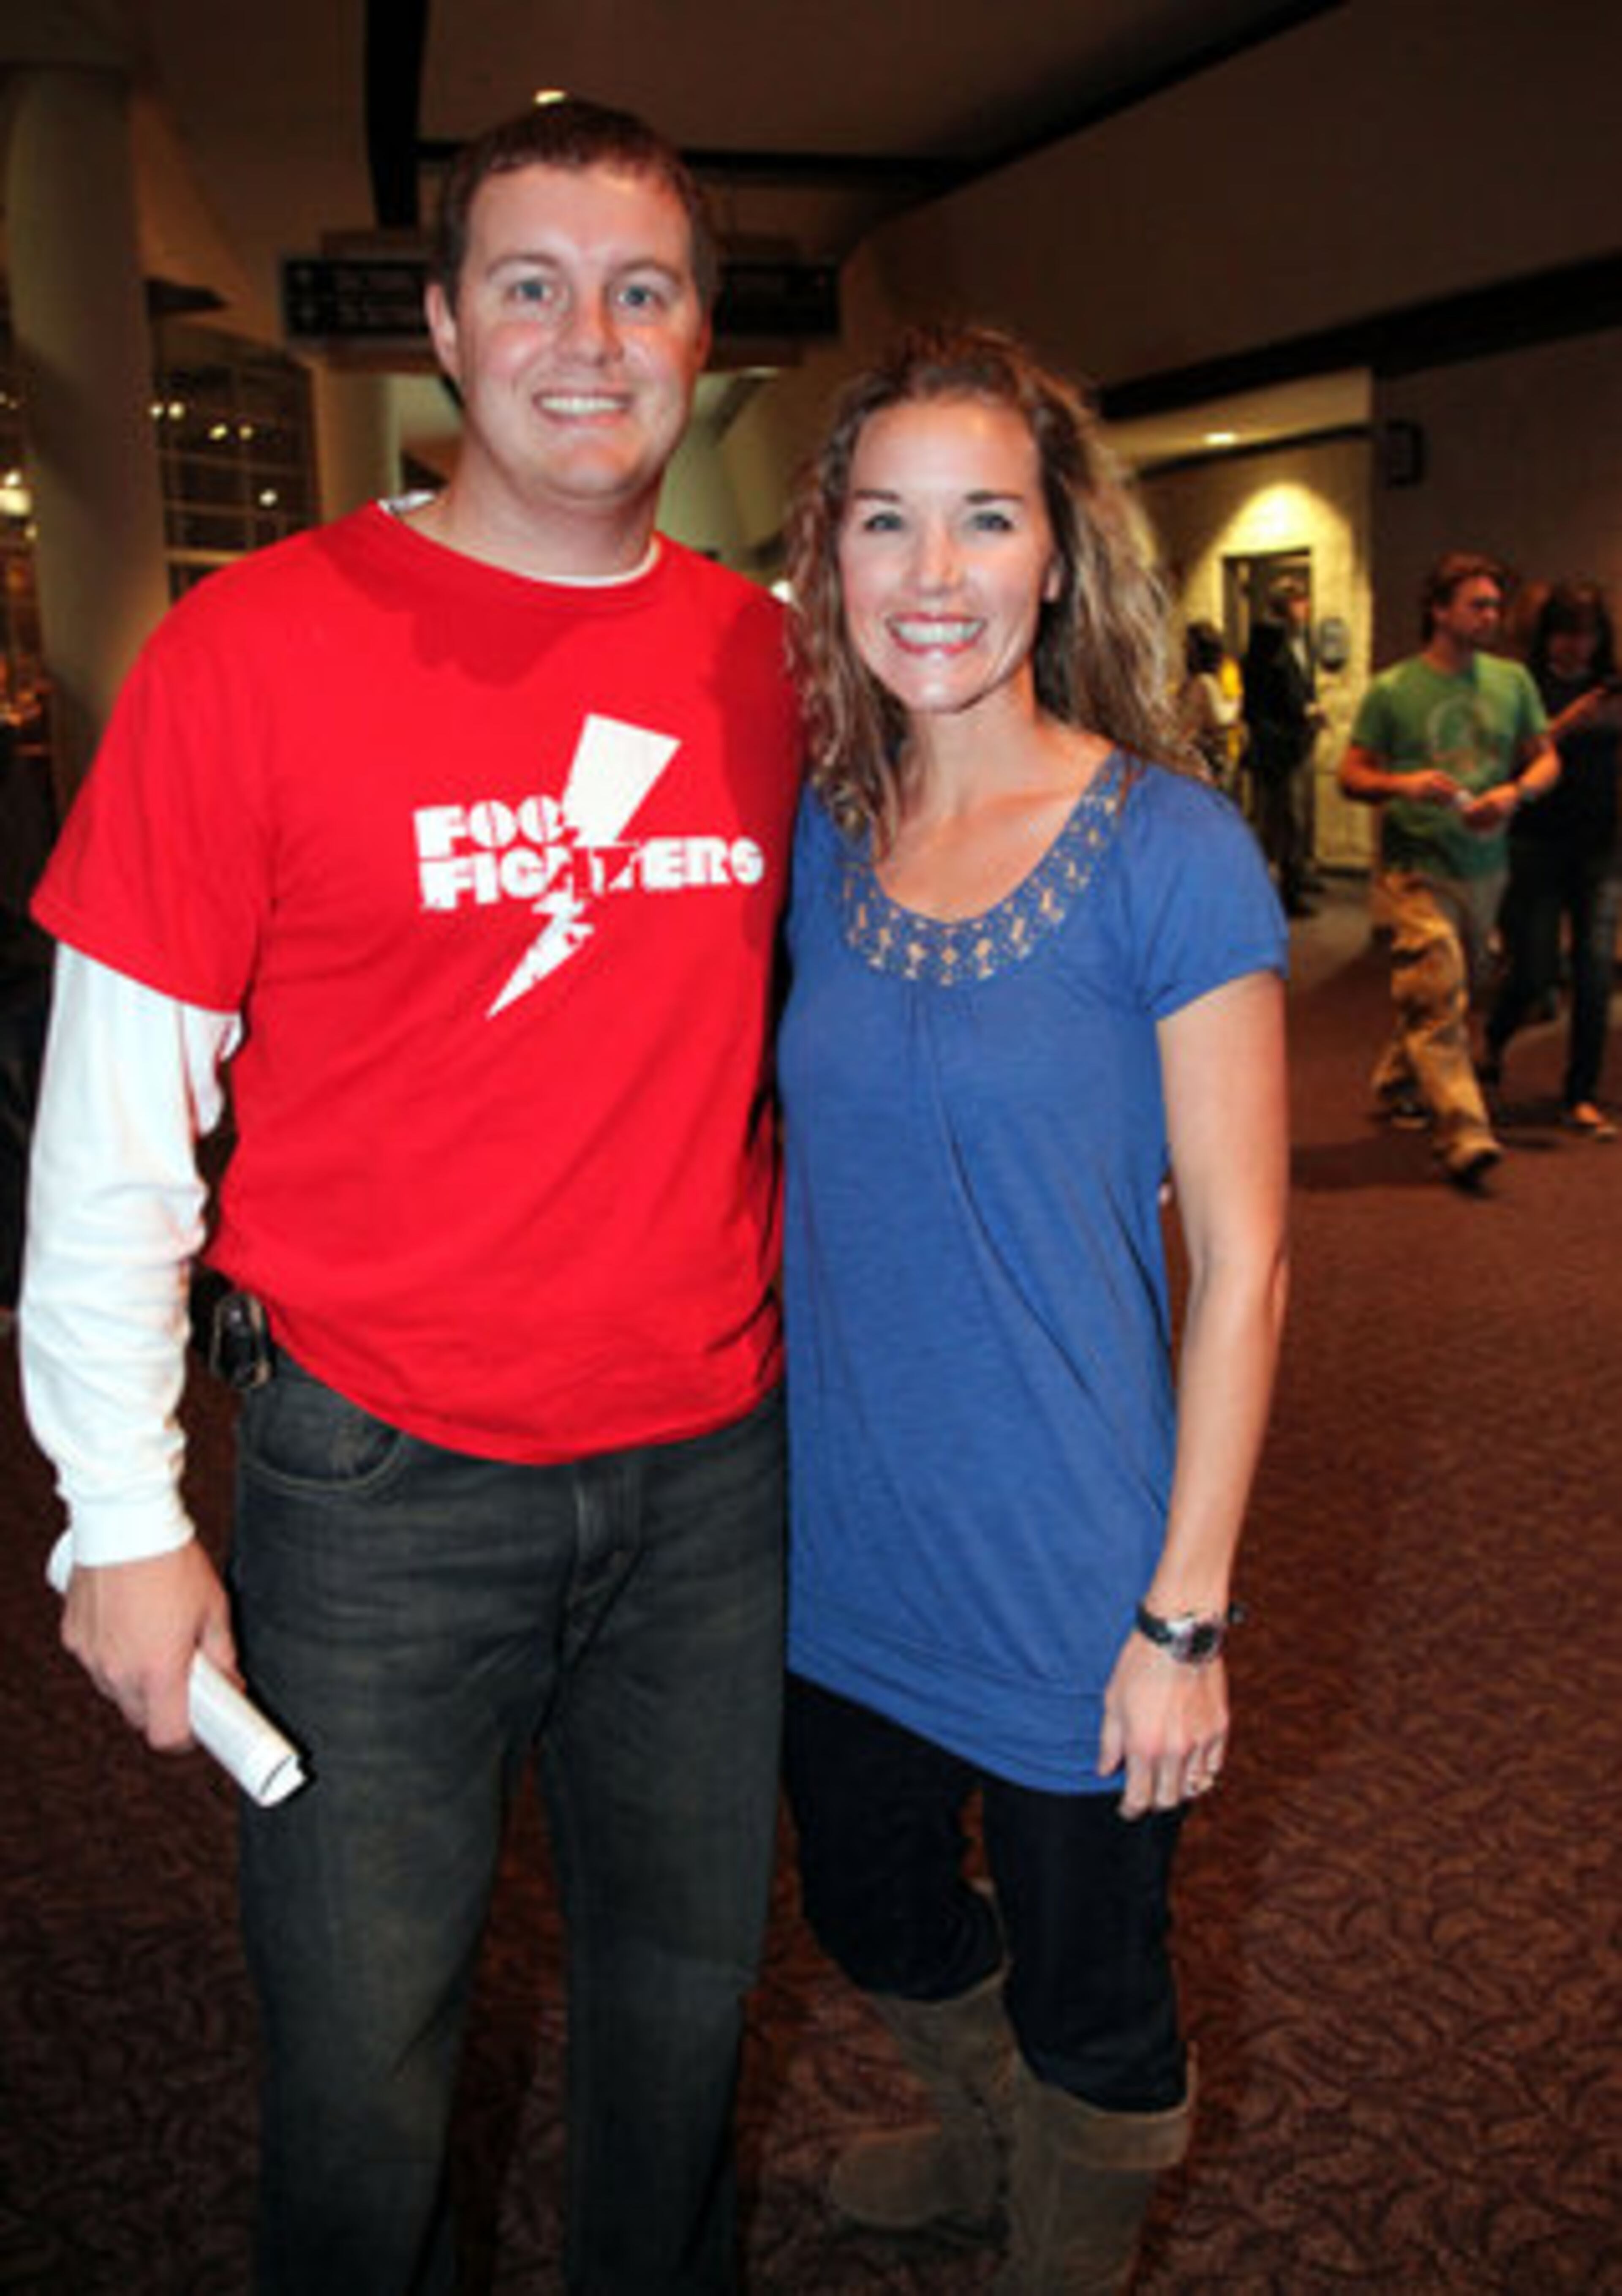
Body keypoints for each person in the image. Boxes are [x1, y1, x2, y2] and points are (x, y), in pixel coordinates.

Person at [20, 98, 800, 2295]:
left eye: (641, 290)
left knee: (683, 2019)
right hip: (376, 1478)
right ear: (443, 327)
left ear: (700, 339)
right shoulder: (253, 651)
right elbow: (110, 1140)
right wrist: (119, 1509)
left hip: (709, 1473)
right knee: (363, 2078)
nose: (588, 336)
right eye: (531, 284)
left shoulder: (766, 662)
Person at [777, 325, 1290, 2292]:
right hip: (843, 1547)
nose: (931, 574)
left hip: (1079, 1561)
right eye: (885, 521)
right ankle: (991, 2145)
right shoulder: (824, 839)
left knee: (1097, 1988)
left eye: (982, 520)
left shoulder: (1166, 848)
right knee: (876, 1905)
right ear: (831, 557)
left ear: (1058, 556)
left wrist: (1183, 1617)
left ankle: (1061, 2235)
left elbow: (1244, 1260)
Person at [1339, 552, 1558, 1190]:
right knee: (1440, 981)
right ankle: (1464, 1130)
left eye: (1495, 605)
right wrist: (1405, 784)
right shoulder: (1394, 691)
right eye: (1477, 604)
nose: (1490, 616)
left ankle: (1398, 1075)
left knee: (1452, 986)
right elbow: (1353, 776)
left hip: (1485, 866)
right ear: (1439, 610)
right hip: (1417, 867)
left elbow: (1545, 761)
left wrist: (1515, 794)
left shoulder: (1512, 682)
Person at [1482, 581, 1622, 1138]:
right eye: (1567, 635)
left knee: (1593, 972)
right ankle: (1494, 1038)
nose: (1577, 649)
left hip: (1601, 846)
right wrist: (1571, 722)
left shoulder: (1612, 688)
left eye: (1588, 637)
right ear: (1549, 637)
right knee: (1538, 969)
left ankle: (1581, 1094)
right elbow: (1513, 759)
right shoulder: (1526, 687)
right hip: (1535, 843)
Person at [1241, 576, 1323, 916]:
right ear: (1283, 606)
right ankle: (1286, 892)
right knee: (1284, 821)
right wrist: (1303, 711)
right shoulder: (1267, 642)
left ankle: (1299, 875)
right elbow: (1264, 698)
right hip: (1279, 747)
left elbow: (1301, 685)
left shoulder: (1299, 640)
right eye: (1299, 601)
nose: (1305, 608)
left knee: (1300, 815)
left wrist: (1312, 708)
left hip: (1298, 740)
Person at [1176, 618, 1243, 788]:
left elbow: (1183, 730)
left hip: (1197, 771)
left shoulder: (1199, 686)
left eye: (1187, 646)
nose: (1183, 651)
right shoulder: (1211, 683)